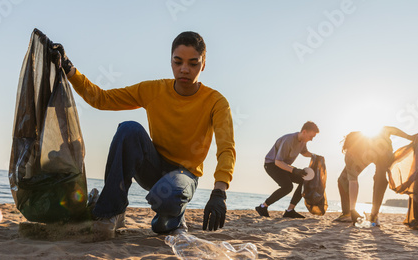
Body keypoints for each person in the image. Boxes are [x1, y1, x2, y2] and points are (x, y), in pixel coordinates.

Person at [51, 31, 235, 238]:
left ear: (203, 64)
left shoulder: (216, 102)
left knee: (165, 214)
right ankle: (111, 212)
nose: (184, 69)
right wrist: (70, 70)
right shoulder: (153, 90)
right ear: (171, 62)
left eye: (193, 63)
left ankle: (171, 217)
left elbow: (226, 149)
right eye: (178, 62)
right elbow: (101, 99)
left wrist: (219, 192)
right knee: (129, 129)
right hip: (152, 167)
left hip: (184, 176)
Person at [335, 126, 418, 224]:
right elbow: (353, 182)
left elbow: (353, 182)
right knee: (343, 179)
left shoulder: (378, 135)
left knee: (379, 180)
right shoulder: (353, 155)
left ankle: (373, 216)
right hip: (375, 156)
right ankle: (350, 214)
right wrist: (409, 137)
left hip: (384, 156)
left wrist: (410, 137)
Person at [255, 122, 319, 218]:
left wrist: (316, 157)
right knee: (287, 187)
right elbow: (278, 162)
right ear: (304, 132)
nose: (311, 139)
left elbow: (304, 152)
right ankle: (262, 207)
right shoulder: (288, 140)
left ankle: (290, 210)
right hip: (271, 164)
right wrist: (294, 170)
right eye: (311, 136)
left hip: (283, 165)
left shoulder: (303, 142)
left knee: (304, 181)